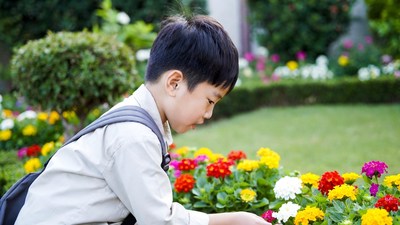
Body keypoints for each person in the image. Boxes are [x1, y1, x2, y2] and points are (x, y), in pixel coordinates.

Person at [15, 14, 271, 225]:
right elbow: (160, 222)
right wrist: (238, 220)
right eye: (210, 100)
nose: (209, 113)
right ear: (174, 82)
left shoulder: (136, 121)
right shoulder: (133, 136)